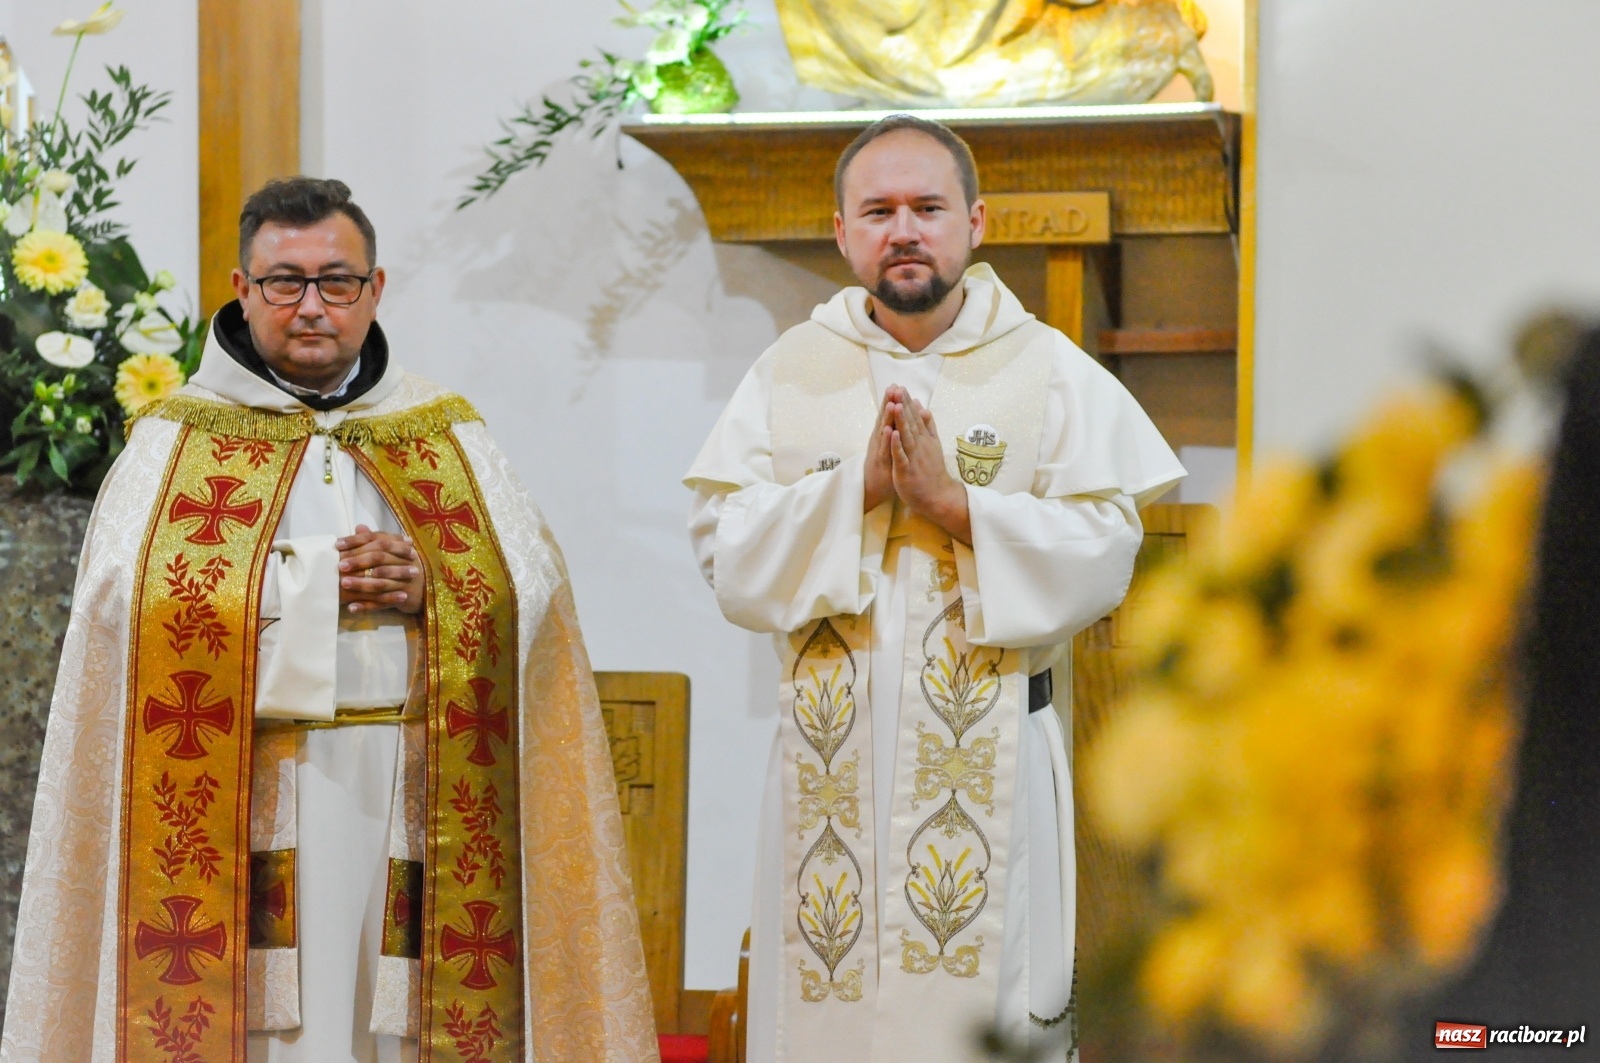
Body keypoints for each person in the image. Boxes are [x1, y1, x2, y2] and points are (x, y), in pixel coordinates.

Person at [2, 178, 657, 1063]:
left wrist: (435, 583)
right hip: (246, 796)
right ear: (242, 288)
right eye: (285, 281)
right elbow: (132, 606)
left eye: (337, 280)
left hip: (411, 789)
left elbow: (532, 593)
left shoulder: (445, 432)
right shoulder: (174, 441)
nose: (311, 305)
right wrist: (313, 590)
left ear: (375, 291)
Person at [685, 115, 1184, 1063]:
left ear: (976, 222)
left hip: (991, 754)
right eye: (878, 210)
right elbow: (725, 549)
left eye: (927, 207)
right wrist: (858, 492)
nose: (903, 230)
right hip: (828, 761)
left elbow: (1107, 548)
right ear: (841, 233)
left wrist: (957, 507)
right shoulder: (793, 370)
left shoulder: (1045, 370)